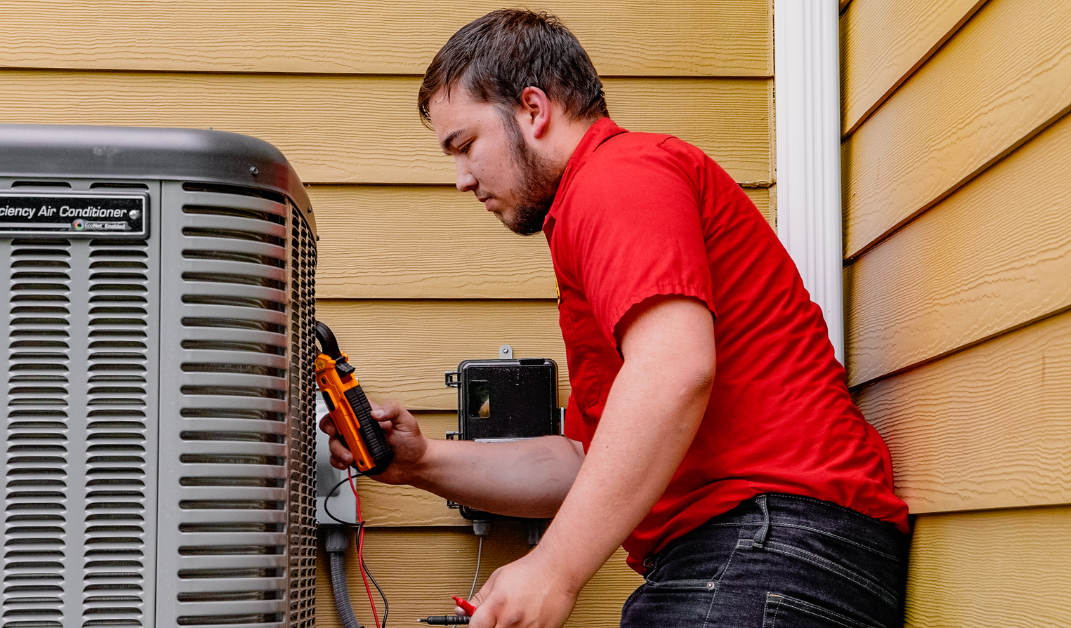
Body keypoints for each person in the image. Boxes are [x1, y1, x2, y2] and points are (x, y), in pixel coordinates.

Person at [322, 9, 910, 628]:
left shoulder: (621, 175)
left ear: (532, 109)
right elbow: (585, 460)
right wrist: (418, 463)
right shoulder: (601, 205)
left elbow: (673, 372)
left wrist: (553, 568)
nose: (462, 179)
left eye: (465, 145)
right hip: (764, 554)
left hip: (774, 545)